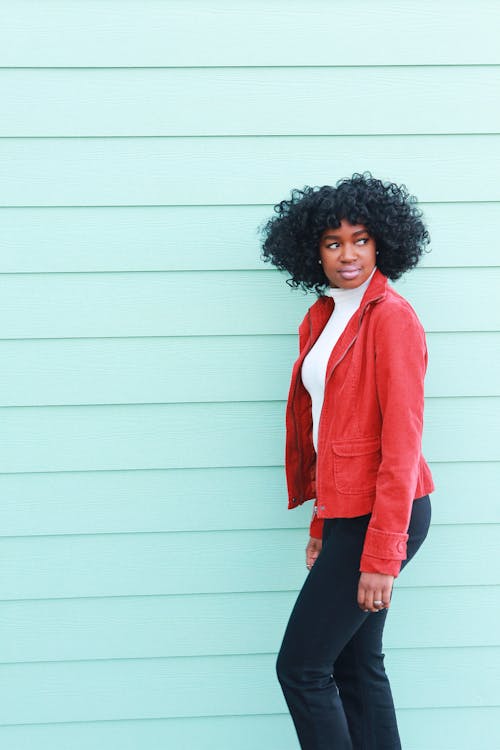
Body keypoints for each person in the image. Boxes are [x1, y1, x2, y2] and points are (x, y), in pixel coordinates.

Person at [260, 172, 435, 750]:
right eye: (333, 243)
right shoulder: (323, 317)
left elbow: (401, 442)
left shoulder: (391, 316)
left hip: (389, 510)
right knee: (359, 666)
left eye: (360, 239)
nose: (348, 254)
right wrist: (321, 524)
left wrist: (383, 553)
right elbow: (328, 432)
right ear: (314, 251)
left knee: (303, 669)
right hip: (349, 510)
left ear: (382, 242)